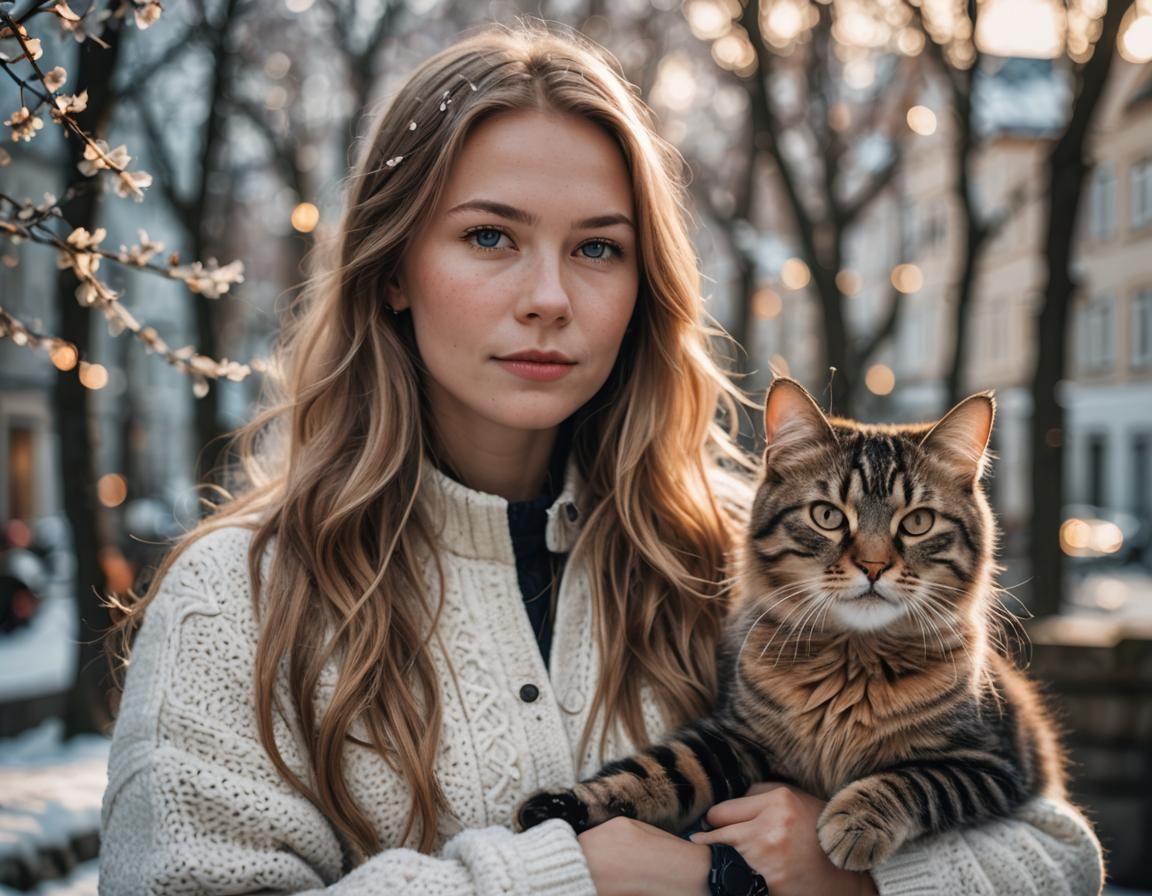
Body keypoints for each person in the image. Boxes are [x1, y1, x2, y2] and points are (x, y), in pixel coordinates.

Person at [99, 22, 1103, 896]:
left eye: (597, 248)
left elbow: (1057, 855)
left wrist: (858, 877)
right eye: (491, 236)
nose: (550, 296)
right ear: (395, 269)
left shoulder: (753, 555)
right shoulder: (239, 597)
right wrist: (572, 872)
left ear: (643, 287)